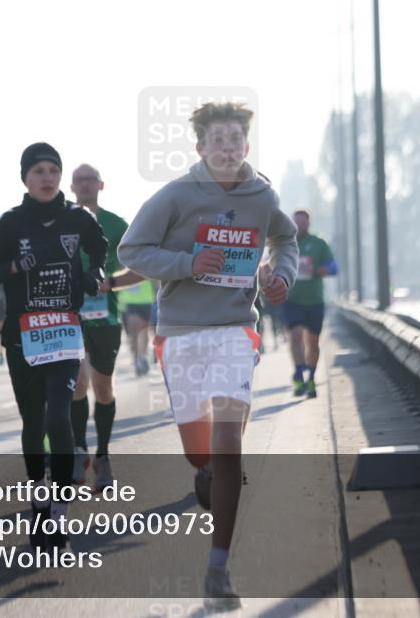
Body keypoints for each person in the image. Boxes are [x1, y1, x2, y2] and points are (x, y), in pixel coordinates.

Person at [119, 102, 298, 609]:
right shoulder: (177, 194)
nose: (226, 148)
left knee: (226, 440)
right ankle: (205, 471)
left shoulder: (263, 196)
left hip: (234, 330)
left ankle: (218, 567)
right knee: (202, 454)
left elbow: (286, 237)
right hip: (180, 332)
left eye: (235, 139)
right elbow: (132, 250)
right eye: (216, 140)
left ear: (246, 144)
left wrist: (281, 274)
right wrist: (189, 263)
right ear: (200, 147)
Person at [0, 143, 107, 552]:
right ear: (25, 178)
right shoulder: (10, 223)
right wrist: (13, 267)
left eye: (53, 170)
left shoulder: (79, 217)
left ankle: (59, 513)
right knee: (33, 421)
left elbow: (99, 248)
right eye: (38, 171)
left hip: (64, 329)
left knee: (59, 415)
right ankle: (38, 501)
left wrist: (92, 272)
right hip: (22, 334)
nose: (47, 177)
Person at [68, 164, 145, 488]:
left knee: (102, 388)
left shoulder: (116, 224)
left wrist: (109, 283)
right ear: (71, 187)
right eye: (79, 180)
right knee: (77, 384)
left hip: (106, 319)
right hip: (69, 318)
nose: (85, 185)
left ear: (101, 185)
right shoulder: (59, 222)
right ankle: (78, 453)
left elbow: (143, 267)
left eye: (90, 180)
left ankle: (102, 455)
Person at [282, 209, 337, 398]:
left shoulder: (319, 243)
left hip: (314, 300)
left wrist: (323, 269)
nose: (299, 226)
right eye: (295, 223)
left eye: (303, 223)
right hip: (292, 299)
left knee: (312, 343)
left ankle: (311, 378)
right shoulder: (286, 244)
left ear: (309, 223)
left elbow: (333, 267)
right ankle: (298, 373)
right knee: (295, 336)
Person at [119, 280, 155, 375]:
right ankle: (136, 358)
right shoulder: (120, 264)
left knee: (143, 330)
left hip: (146, 299)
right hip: (127, 301)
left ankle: (142, 356)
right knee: (133, 332)